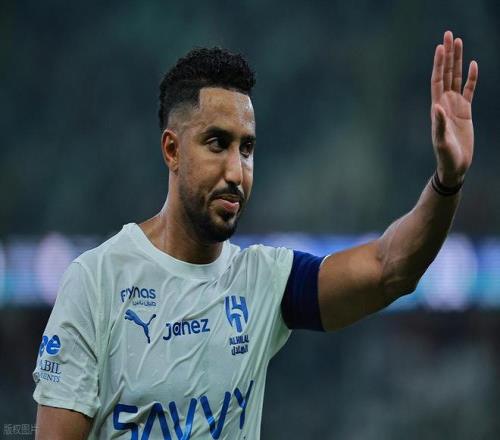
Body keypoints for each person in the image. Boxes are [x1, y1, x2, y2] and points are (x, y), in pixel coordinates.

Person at [33, 30, 478, 439]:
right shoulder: (97, 282)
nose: (236, 172)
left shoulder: (264, 280)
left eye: (246, 148)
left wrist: (447, 181)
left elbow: (390, 269)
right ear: (172, 149)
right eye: (217, 143)